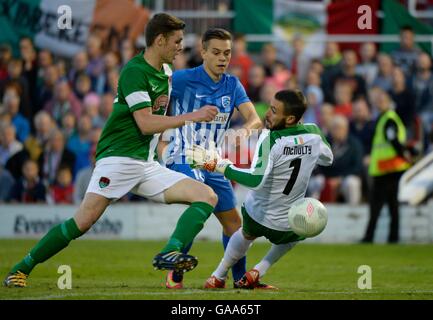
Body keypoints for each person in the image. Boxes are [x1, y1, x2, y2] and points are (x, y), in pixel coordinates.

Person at [3, 13, 219, 288]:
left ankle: (170, 251)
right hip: (118, 159)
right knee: (82, 222)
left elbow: (157, 121)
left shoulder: (165, 73)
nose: (180, 47)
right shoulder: (134, 72)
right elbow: (144, 123)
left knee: (205, 195)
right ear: (160, 40)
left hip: (145, 163)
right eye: (176, 41)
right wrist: (193, 116)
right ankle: (21, 268)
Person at [186, 90, 333, 289]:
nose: (267, 114)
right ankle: (257, 271)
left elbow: (255, 180)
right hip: (286, 222)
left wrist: (218, 165)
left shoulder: (270, 139)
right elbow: (328, 158)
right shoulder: (313, 133)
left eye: (273, 110)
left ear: (290, 119)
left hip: (256, 214)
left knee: (245, 234)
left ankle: (217, 276)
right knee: (300, 231)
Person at [158, 28, 262, 289]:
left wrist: (243, 131)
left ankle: (239, 278)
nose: (222, 58)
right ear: (203, 52)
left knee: (234, 224)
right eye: (215, 52)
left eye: (227, 53)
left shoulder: (232, 84)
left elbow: (255, 119)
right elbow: (152, 103)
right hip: (183, 153)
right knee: (203, 201)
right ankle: (174, 270)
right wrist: (158, 141)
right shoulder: (180, 80)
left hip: (212, 160)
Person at [361, 89, 411, 244]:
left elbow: (393, 140)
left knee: (377, 206)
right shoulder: (386, 118)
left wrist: (404, 155)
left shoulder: (388, 119)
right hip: (389, 168)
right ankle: (393, 237)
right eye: (378, 101)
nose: (379, 103)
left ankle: (370, 237)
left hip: (387, 169)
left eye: (382, 100)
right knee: (392, 205)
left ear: (389, 102)